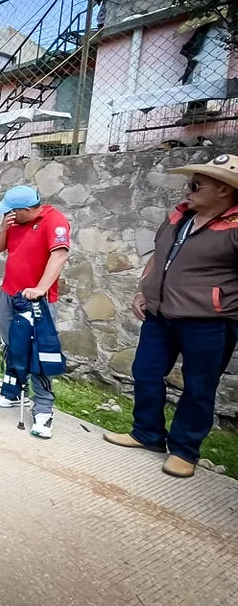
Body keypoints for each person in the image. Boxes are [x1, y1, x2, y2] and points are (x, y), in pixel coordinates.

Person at [104, 155, 238, 478]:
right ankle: (147, 433)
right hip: (160, 315)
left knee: (199, 386)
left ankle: (184, 450)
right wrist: (143, 290)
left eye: (196, 185)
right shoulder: (179, 216)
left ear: (223, 190)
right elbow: (160, 256)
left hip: (209, 322)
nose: (187, 190)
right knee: (145, 371)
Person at [0, 185, 70, 439]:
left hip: (36, 298)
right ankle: (13, 390)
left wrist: (40, 288)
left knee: (39, 351)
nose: (8, 215)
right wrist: (3, 228)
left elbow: (58, 256)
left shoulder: (54, 220)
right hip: (10, 292)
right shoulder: (14, 222)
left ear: (25, 210)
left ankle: (44, 408)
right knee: (11, 343)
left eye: (11, 212)